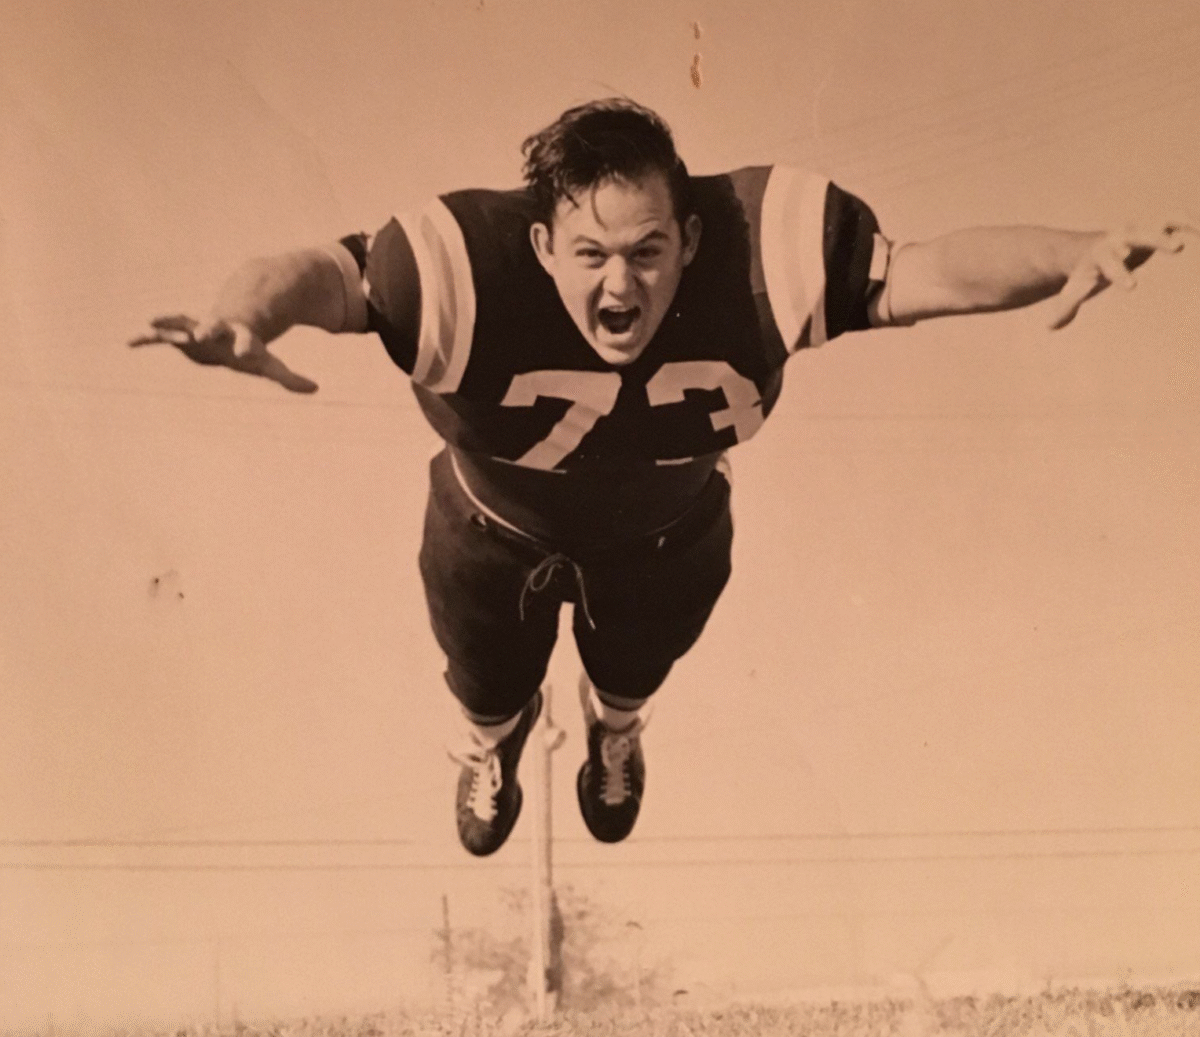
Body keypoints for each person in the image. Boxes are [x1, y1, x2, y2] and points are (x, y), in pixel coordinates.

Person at [131, 98, 1193, 857]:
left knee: (637, 666)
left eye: (647, 250)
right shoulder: (460, 264)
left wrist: (1075, 249)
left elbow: (924, 271)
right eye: (589, 253)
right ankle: (489, 746)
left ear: (690, 237)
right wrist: (246, 312)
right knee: (488, 682)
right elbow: (324, 271)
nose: (620, 282)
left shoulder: (758, 249)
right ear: (539, 244)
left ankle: (616, 729)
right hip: (493, 516)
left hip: (667, 527)